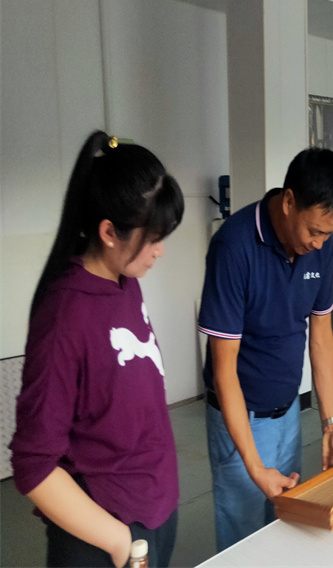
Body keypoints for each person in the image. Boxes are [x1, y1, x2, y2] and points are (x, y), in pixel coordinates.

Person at [10, 131, 185, 568]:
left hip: (153, 509)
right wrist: (118, 541)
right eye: (153, 238)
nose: (160, 251)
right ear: (109, 232)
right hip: (106, 534)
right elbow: (34, 463)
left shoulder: (125, 282)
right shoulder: (64, 315)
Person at [197, 147, 333, 551]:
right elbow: (224, 369)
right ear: (288, 201)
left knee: (285, 530)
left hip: (288, 414)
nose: (320, 243)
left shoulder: (321, 246)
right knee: (243, 543)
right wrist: (253, 465)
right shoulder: (234, 247)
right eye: (314, 231)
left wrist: (331, 424)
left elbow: (321, 337)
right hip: (241, 420)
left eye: (328, 234)